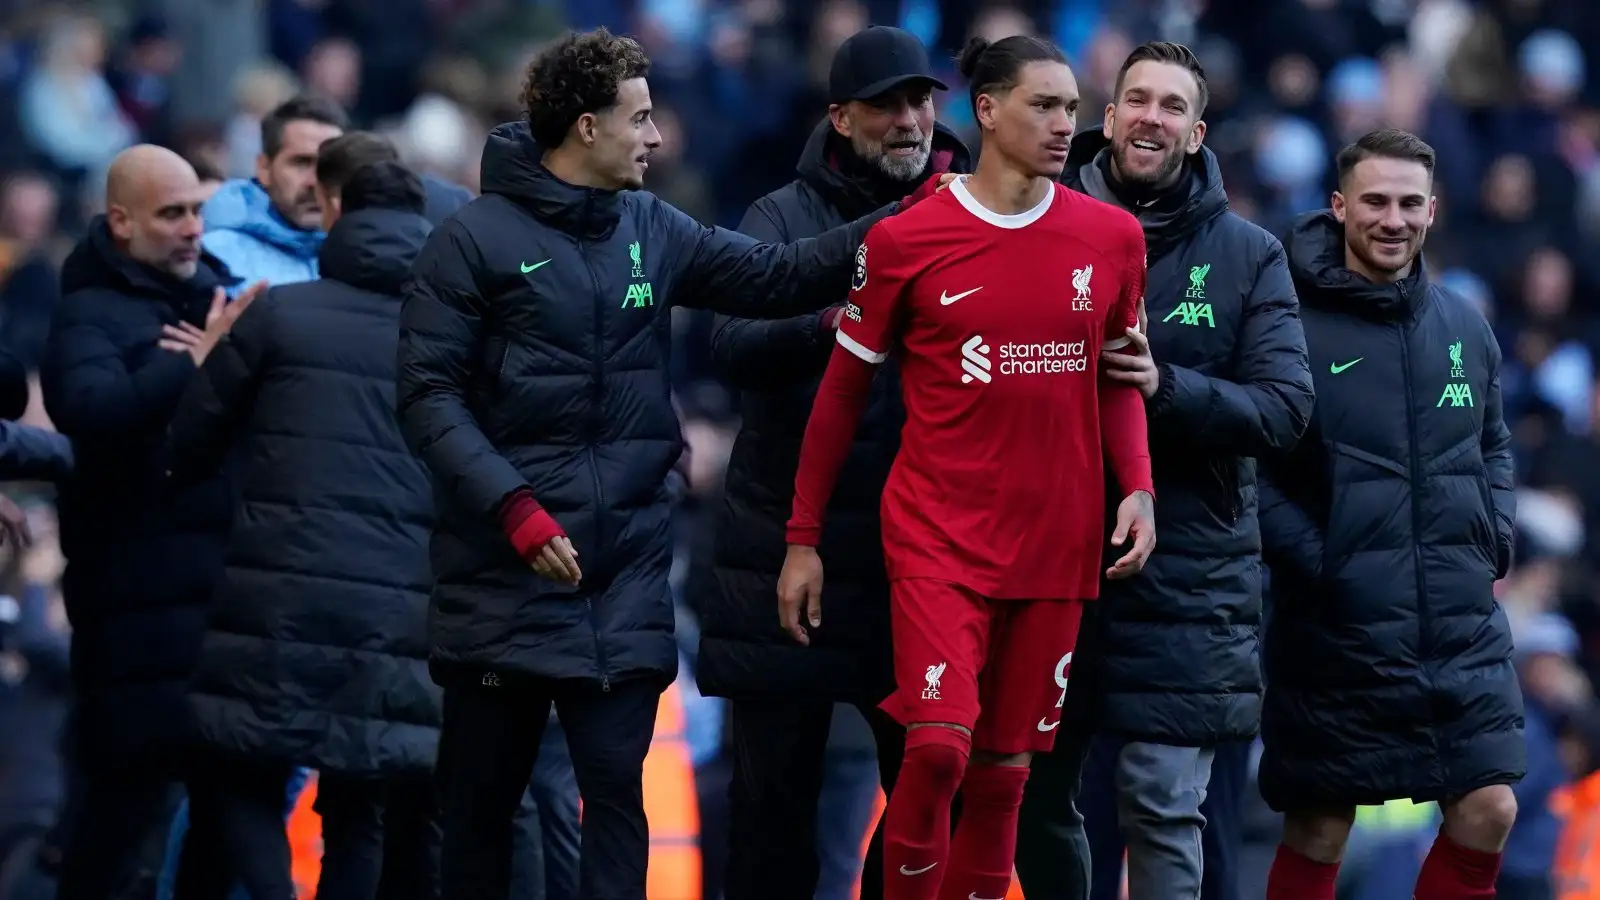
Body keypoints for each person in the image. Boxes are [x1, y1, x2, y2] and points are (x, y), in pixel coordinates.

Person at [396, 27, 942, 900]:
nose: (656, 137)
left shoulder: (650, 224)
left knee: (618, 801)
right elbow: (428, 398)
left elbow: (776, 275)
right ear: (584, 127)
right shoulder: (471, 244)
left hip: (624, 578)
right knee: (481, 812)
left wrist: (910, 217)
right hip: (504, 579)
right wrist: (515, 509)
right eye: (641, 118)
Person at [778, 34, 1156, 900]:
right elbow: (839, 396)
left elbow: (1120, 379)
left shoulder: (1113, 238)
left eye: (1071, 107)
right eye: (1044, 106)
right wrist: (804, 538)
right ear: (986, 110)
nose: (1066, 126)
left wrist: (1136, 485)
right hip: (939, 537)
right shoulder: (909, 239)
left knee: (1004, 778)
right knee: (940, 749)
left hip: (1058, 543)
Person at [1012, 41, 1314, 900]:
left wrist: (1164, 386)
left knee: (1159, 801)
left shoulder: (1249, 254)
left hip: (1189, 573)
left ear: (1197, 130)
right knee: (1037, 797)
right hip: (1046, 555)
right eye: (1136, 100)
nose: (1151, 117)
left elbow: (1288, 408)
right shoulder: (1032, 224)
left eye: (1172, 106)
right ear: (1106, 119)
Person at [697, 24, 973, 900]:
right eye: (885, 105)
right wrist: (844, 321)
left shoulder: (975, 211)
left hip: (916, 566)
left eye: (919, 99)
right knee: (773, 821)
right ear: (840, 119)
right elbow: (730, 342)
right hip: (788, 561)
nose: (908, 120)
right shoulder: (781, 215)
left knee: (936, 802)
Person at [1256, 128, 1523, 900]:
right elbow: (1255, 465)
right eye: (1375, 200)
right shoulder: (1288, 322)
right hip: (1338, 626)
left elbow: (1494, 443)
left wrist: (1491, 535)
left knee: (1490, 807)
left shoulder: (1465, 326)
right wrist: (1320, 559)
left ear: (1433, 210)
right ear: (1339, 206)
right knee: (1319, 826)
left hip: (1458, 623)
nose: (1393, 218)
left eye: (1410, 203)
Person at [166, 157, 442, 899]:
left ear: (338, 214)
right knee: (360, 801)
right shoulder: (449, 339)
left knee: (238, 769)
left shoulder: (279, 315)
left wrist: (208, 370)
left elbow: (186, 448)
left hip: (277, 595)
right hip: (401, 608)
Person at [39, 144, 261, 899]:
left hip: (222, 610)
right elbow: (90, 414)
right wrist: (192, 367)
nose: (193, 228)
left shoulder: (220, 302)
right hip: (132, 616)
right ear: (121, 222)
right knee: (119, 817)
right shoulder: (87, 313)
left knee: (225, 819)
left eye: (198, 209)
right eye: (172, 213)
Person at [201, 94, 348, 285]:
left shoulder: (360, 257)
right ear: (264, 168)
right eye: (301, 163)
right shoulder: (215, 257)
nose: (315, 182)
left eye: (329, 166)